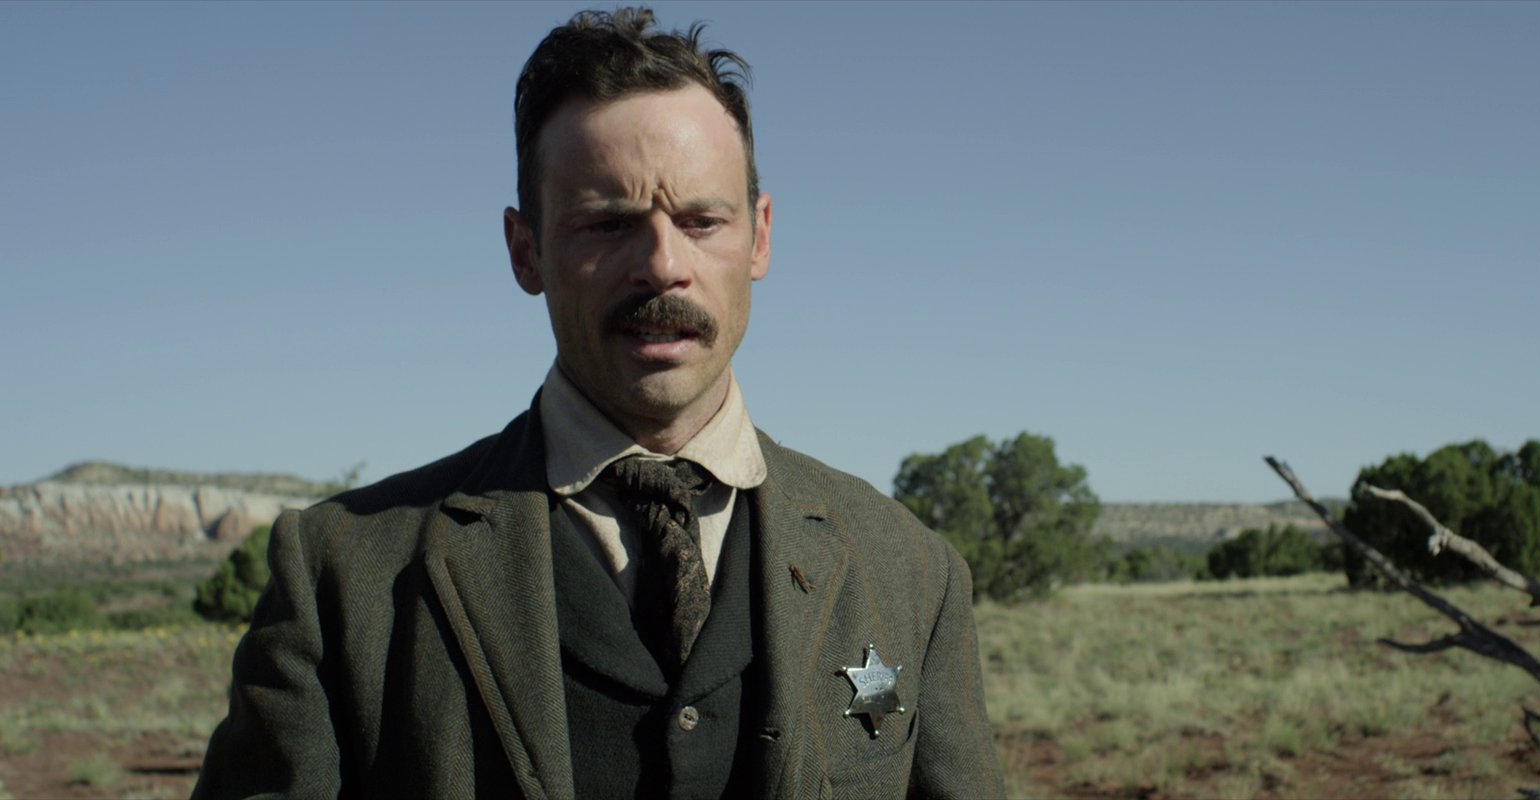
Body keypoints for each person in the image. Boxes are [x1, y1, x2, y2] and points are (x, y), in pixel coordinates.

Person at [192, 8, 1005, 799]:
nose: (662, 264)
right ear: (526, 251)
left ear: (759, 237)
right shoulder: (344, 577)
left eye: (701, 220)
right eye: (608, 224)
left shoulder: (911, 574)